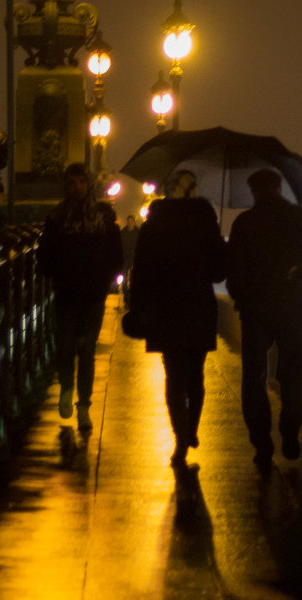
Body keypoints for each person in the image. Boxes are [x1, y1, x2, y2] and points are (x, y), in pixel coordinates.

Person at [128, 169, 227, 467]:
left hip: (164, 309)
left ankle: (180, 436)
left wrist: (138, 309)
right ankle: (192, 429)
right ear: (193, 189)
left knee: (173, 376)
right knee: (196, 374)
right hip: (198, 307)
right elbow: (218, 271)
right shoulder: (206, 220)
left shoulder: (154, 223)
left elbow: (141, 272)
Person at [226, 168, 302, 469]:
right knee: (294, 372)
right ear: (281, 187)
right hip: (294, 308)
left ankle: (262, 444)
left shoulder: (245, 223)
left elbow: (234, 272)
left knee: (254, 378)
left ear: (254, 191)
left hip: (256, 310)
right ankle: (291, 427)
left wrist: (243, 296)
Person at [41, 162, 123, 432]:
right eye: (71, 182)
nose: (75, 187)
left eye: (80, 182)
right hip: (66, 294)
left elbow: (116, 255)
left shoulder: (103, 217)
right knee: (65, 347)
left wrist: (104, 279)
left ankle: (84, 406)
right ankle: (67, 388)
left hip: (92, 296)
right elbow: (45, 256)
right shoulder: (56, 218)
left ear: (88, 185)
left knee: (86, 350)